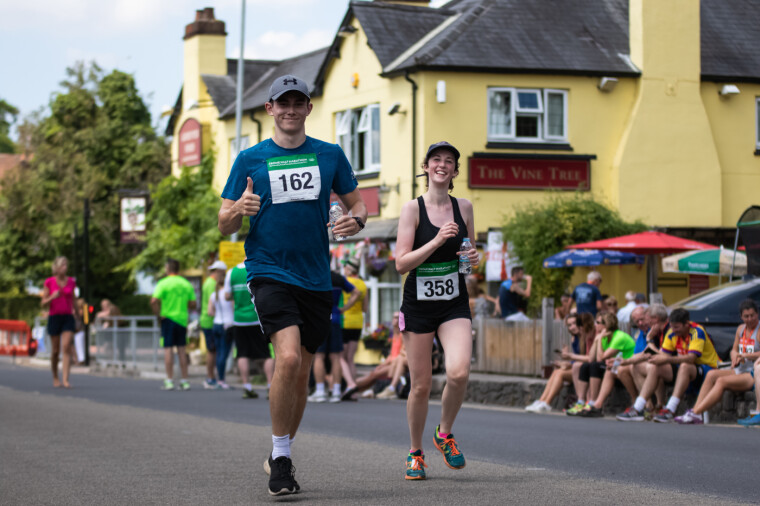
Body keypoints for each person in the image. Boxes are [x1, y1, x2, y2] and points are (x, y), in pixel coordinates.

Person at [218, 73, 366, 496]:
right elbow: (223, 220)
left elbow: (357, 205)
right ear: (269, 109)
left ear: (308, 109)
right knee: (286, 359)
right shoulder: (249, 159)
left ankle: (281, 449)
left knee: (300, 370)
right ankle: (281, 459)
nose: (290, 109)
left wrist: (353, 221)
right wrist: (239, 211)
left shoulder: (330, 155)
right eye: (283, 103)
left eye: (298, 102)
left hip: (316, 276)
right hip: (268, 269)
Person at [395, 141, 478, 480]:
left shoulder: (466, 207)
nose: (442, 165)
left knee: (458, 373)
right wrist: (436, 240)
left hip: (453, 300)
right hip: (418, 305)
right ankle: (416, 454)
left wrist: (474, 259)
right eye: (436, 160)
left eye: (449, 161)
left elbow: (469, 256)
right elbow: (401, 263)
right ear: (426, 167)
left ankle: (444, 434)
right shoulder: (412, 209)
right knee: (421, 386)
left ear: (455, 171)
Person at [616, 307, 719, 423]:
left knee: (684, 365)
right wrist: (626, 361)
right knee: (655, 365)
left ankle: (670, 409)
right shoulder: (671, 333)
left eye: (676, 327)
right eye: (672, 326)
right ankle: (638, 408)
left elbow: (691, 359)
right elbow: (659, 355)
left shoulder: (696, 331)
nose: (674, 330)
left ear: (686, 324)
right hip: (685, 369)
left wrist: (665, 358)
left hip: (707, 368)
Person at [676, 299, 760, 424]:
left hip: (752, 373)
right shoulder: (740, 329)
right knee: (711, 375)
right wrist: (734, 356)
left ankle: (697, 412)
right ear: (741, 317)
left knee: (721, 381)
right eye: (746, 316)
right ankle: (695, 411)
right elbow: (734, 349)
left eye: (752, 315)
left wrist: (747, 355)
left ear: (757, 314)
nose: (749, 319)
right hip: (740, 369)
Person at [566, 312, 635, 416]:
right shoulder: (604, 337)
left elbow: (599, 359)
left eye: (598, 322)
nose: (595, 325)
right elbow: (591, 358)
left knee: (595, 366)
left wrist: (598, 340)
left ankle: (593, 402)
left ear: (606, 324)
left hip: (627, 366)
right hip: (614, 366)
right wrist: (597, 340)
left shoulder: (618, 337)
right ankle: (581, 401)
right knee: (585, 366)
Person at [525, 313, 594, 413]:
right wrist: (566, 362)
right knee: (557, 371)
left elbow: (587, 357)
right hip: (578, 367)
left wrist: (569, 362)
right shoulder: (574, 338)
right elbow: (577, 358)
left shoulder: (586, 337)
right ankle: (541, 401)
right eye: (569, 325)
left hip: (582, 369)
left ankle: (547, 403)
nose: (572, 327)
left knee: (560, 373)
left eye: (574, 323)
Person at [308, 271, 358, 403]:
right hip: (335, 318)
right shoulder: (338, 278)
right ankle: (336, 391)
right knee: (336, 356)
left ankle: (320, 391)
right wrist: (344, 308)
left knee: (319, 356)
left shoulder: (314, 275)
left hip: (319, 319)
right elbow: (356, 293)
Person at [225, 261, 269, 399]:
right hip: (257, 318)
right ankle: (271, 385)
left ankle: (246, 386)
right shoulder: (260, 267)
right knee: (267, 354)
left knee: (242, 353)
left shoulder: (231, 272)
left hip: (239, 320)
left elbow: (227, 296)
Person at [151, 259, 197, 391]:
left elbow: (154, 301)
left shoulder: (163, 283)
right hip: (182, 319)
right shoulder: (185, 283)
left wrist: (158, 315)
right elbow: (193, 304)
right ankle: (185, 380)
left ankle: (170, 380)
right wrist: (184, 306)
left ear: (167, 268)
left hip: (168, 319)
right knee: (182, 350)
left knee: (168, 349)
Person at [345, 312, 408, 400]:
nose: (395, 320)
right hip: (391, 363)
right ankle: (353, 388)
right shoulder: (394, 334)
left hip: (395, 364)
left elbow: (402, 353)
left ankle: (352, 387)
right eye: (394, 318)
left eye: (398, 318)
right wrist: (383, 364)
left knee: (374, 375)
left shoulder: (402, 335)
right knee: (373, 375)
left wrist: (386, 364)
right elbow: (391, 355)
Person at [40, 256, 77, 388]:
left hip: (68, 317)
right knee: (55, 350)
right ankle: (55, 377)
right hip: (54, 317)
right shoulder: (49, 282)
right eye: (62, 265)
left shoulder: (71, 282)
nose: (65, 268)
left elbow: (74, 299)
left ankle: (66, 379)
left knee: (66, 346)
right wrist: (52, 297)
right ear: (56, 268)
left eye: (66, 265)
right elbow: (43, 304)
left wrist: (77, 314)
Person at [339, 259, 367, 397]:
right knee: (351, 358)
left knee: (340, 357)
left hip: (344, 321)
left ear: (349, 269)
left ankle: (349, 384)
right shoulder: (363, 284)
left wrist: (343, 308)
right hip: (358, 322)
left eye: (345, 267)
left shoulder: (344, 282)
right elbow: (365, 308)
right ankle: (354, 392)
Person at [207, 264, 235, 389]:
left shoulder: (214, 294)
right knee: (224, 353)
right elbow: (233, 308)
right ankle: (222, 380)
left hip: (216, 324)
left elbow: (210, 312)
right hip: (228, 325)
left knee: (219, 353)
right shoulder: (228, 294)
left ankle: (219, 379)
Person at [201, 260, 227, 389]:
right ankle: (211, 378)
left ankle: (212, 377)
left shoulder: (207, 282)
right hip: (211, 321)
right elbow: (217, 303)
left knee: (213, 350)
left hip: (208, 321)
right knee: (212, 351)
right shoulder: (212, 284)